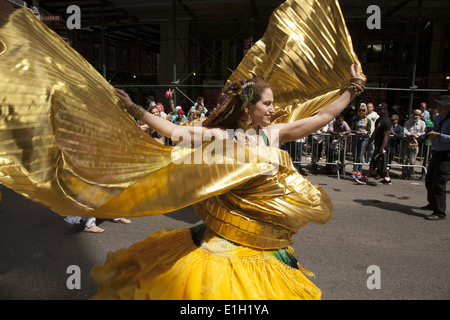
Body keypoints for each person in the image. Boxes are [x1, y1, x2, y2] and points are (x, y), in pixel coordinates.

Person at [91, 64, 365, 299]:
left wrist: (354, 87)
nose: (274, 108)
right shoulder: (223, 136)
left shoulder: (273, 134)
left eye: (273, 103)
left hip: (265, 238)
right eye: (267, 103)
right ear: (249, 107)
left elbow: (323, 117)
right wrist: (133, 108)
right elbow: (174, 130)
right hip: (226, 237)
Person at [422, 95, 450, 221]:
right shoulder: (438, 117)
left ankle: (439, 212)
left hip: (447, 155)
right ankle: (432, 203)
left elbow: (441, 135)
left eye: (441, 105)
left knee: (439, 182)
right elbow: (434, 130)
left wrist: (439, 135)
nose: (438, 107)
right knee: (429, 180)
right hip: (436, 152)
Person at [356, 103, 392, 185]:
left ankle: (366, 177)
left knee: (374, 161)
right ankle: (387, 178)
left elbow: (386, 135)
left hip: (382, 145)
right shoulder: (379, 120)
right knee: (382, 162)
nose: (379, 110)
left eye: (381, 109)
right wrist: (369, 142)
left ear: (385, 110)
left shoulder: (387, 121)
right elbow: (375, 132)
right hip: (377, 143)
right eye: (378, 108)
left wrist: (382, 148)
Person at [401, 109, 426, 179]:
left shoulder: (422, 123)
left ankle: (411, 174)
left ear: (420, 116)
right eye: (414, 114)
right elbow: (404, 131)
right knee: (404, 159)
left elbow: (423, 132)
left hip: (415, 143)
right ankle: (404, 174)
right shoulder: (408, 122)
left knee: (412, 160)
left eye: (417, 115)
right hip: (407, 141)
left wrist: (417, 134)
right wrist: (410, 134)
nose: (415, 116)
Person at [350, 104, 370, 178]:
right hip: (356, 138)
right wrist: (355, 132)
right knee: (355, 154)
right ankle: (354, 170)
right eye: (360, 110)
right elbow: (351, 128)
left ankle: (359, 170)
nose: (361, 112)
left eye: (363, 110)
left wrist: (366, 132)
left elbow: (369, 130)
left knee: (360, 155)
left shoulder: (367, 120)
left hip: (363, 138)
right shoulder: (355, 119)